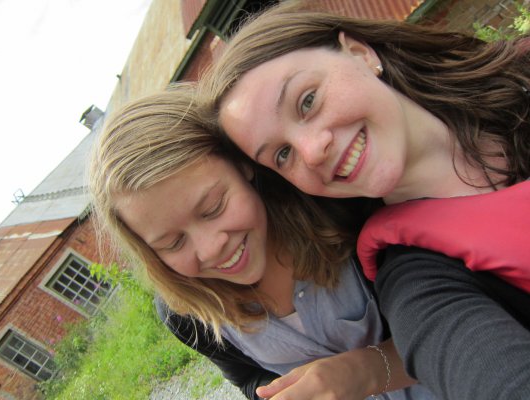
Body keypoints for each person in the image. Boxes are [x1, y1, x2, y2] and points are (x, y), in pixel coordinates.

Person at [195, 2, 530, 399]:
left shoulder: (520, 74)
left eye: (307, 101)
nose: (311, 151)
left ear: (360, 53)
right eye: (283, 154)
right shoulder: (417, 279)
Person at [88, 85, 437, 400]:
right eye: (173, 243)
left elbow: (449, 326)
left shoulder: (341, 210)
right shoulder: (187, 314)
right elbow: (248, 377)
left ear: (241, 164)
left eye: (213, 208)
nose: (211, 249)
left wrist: (362, 373)